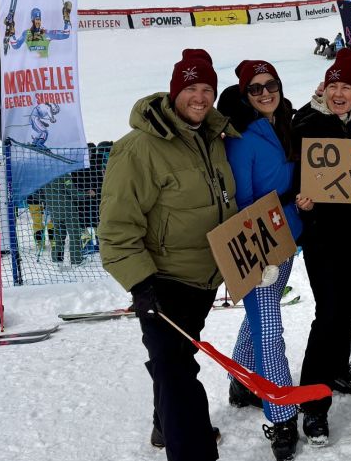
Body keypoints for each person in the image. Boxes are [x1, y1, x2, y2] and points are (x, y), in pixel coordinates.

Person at [98, 48, 237, 461]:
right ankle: (191, 449)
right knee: (178, 372)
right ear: (175, 91)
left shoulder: (211, 137)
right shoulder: (139, 148)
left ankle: (166, 423)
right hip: (162, 282)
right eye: (191, 88)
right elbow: (117, 227)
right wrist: (142, 285)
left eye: (207, 88)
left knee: (176, 358)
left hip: (203, 279)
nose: (200, 97)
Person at [292, 48, 351, 446]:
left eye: (346, 86)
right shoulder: (308, 122)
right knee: (330, 316)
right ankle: (313, 405)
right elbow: (298, 174)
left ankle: (335, 370)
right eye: (333, 86)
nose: (339, 93)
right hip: (326, 238)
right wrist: (304, 200)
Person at [217, 59, 301, 461]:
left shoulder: (287, 120)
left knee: (259, 316)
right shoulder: (243, 137)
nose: (265, 92)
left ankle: (240, 379)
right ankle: (281, 415)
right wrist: (257, 253)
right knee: (270, 327)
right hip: (259, 244)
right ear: (245, 95)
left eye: (271, 84)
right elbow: (242, 201)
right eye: (256, 88)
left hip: (289, 238)